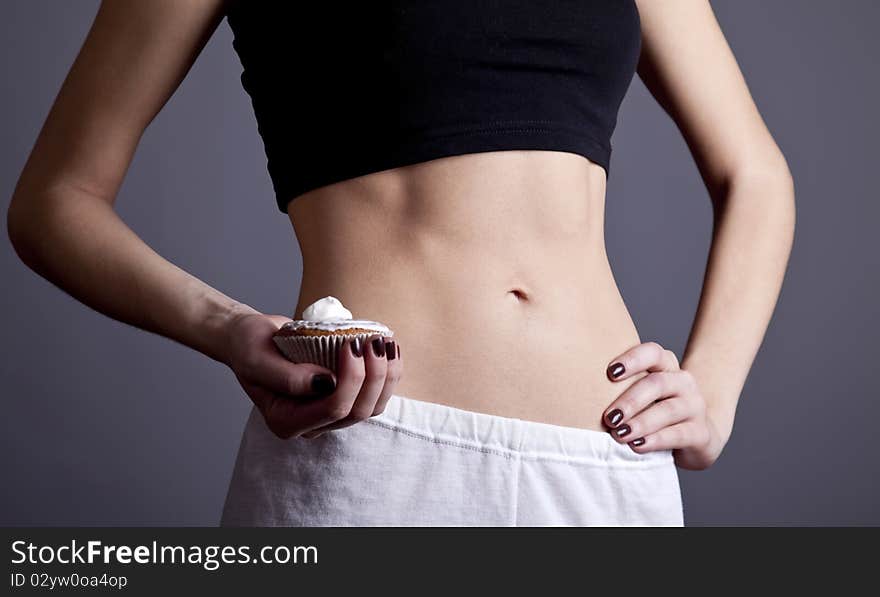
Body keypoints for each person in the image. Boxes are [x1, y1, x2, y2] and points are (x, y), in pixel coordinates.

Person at [7, 1, 794, 526]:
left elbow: (755, 172)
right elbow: (54, 199)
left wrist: (714, 391)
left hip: (605, 464)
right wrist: (226, 328)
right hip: (373, 454)